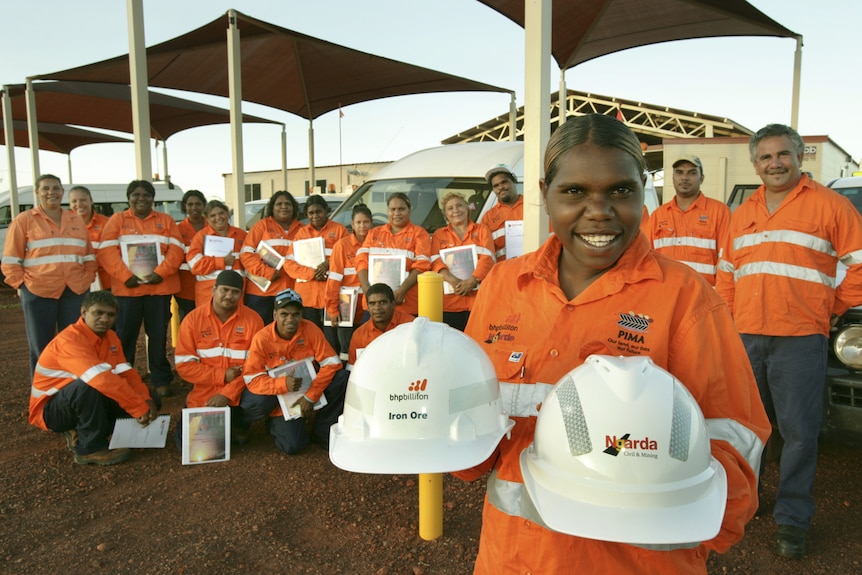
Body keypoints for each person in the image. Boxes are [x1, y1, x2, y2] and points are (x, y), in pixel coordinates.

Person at [454, 114, 770, 574]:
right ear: (545, 195)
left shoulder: (685, 298)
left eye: (620, 190)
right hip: (512, 560)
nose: (598, 210)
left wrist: (687, 512)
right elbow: (473, 428)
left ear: (643, 192)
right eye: (574, 191)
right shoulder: (504, 285)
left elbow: (736, 444)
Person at [716, 123, 862, 559]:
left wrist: (829, 307)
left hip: (800, 339)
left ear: (800, 157)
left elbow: (859, 267)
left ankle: (792, 519)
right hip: (748, 336)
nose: (775, 163)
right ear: (755, 163)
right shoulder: (743, 213)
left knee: (799, 434)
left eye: (783, 155)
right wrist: (730, 320)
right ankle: (748, 500)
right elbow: (727, 273)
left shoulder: (831, 206)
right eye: (766, 157)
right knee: (747, 429)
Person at [29, 290, 159, 466]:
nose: (105, 319)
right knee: (89, 386)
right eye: (98, 313)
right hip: (52, 410)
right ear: (83, 312)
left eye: (110, 315)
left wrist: (145, 399)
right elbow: (101, 380)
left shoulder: (111, 337)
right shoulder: (70, 341)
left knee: (153, 400)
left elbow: (126, 374)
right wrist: (137, 407)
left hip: (83, 399)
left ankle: (94, 430)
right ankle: (89, 449)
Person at [2, 174, 97, 376]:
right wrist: (22, 286)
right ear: (37, 192)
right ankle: (42, 399)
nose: (51, 192)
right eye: (45, 188)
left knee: (73, 345)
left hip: (74, 291)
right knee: (41, 348)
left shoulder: (75, 220)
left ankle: (69, 392)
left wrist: (87, 279)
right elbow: (10, 260)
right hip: (38, 292)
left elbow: (89, 256)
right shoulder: (24, 220)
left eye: (55, 188)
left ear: (62, 192)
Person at [98, 180, 184, 399]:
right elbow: (107, 252)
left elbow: (177, 250)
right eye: (136, 195)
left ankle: (161, 380)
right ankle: (124, 379)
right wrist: (125, 276)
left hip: (159, 289)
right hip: (128, 291)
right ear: (129, 198)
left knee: (157, 337)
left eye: (146, 195)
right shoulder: (117, 221)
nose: (141, 198)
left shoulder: (165, 220)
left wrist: (161, 273)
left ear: (152, 198)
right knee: (125, 336)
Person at [240, 288, 348, 455]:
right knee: (293, 446)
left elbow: (332, 363)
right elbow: (251, 379)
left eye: (295, 314)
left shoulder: (310, 329)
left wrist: (310, 396)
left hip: (309, 390)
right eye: (284, 314)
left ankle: (322, 429)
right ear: (275, 315)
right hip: (281, 397)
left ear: (301, 315)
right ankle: (274, 420)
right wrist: (282, 384)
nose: (290, 319)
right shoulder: (262, 339)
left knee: (342, 378)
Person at [174, 270, 262, 446]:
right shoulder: (193, 320)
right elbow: (184, 366)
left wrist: (227, 393)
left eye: (235, 292)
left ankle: (239, 424)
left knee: (261, 400)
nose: (229, 296)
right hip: (205, 394)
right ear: (213, 290)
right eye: (224, 290)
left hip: (239, 392)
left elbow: (256, 366)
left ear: (241, 294)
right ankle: (227, 428)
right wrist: (221, 376)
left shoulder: (253, 320)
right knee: (190, 445)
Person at [648, 155, 729, 286]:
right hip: (667, 294)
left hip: (704, 296)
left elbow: (727, 259)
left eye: (692, 173)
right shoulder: (658, 215)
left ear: (701, 178)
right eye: (679, 172)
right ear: (673, 178)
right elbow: (648, 259)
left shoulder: (719, 212)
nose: (684, 178)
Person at [283, 194, 348, 342]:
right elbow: (289, 264)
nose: (315, 216)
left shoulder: (339, 230)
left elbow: (348, 256)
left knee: (331, 338)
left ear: (326, 211)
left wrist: (330, 263)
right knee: (309, 337)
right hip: (307, 296)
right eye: (311, 213)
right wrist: (312, 273)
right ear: (306, 214)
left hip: (330, 295)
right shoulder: (301, 234)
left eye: (319, 211)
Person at [356, 192, 431, 316]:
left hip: (405, 305)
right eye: (393, 209)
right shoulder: (374, 233)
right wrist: (368, 292)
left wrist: (401, 291)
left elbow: (422, 266)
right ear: (388, 211)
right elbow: (361, 262)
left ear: (409, 210)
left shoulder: (419, 234)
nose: (397, 213)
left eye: (401, 209)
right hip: (374, 306)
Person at [431, 192, 496, 331]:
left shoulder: (482, 230)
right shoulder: (438, 235)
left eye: (459, 205)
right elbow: (435, 262)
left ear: (467, 208)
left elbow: (488, 258)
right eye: (450, 208)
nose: (455, 211)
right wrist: (453, 281)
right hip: (450, 303)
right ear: (445, 215)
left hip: (478, 300)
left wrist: (473, 280)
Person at [239, 190, 303, 324]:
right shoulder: (261, 227)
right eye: (279, 204)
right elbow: (246, 254)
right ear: (272, 207)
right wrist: (268, 272)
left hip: (292, 293)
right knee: (259, 332)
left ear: (294, 207)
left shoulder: (303, 229)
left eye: (287, 204)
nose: (283, 207)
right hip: (261, 294)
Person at [326, 204, 373, 362]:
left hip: (368, 304)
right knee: (346, 350)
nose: (362, 226)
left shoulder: (376, 243)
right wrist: (332, 309)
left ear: (371, 223)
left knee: (366, 347)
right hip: (346, 304)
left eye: (366, 222)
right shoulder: (341, 245)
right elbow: (333, 280)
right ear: (352, 224)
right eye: (358, 222)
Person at [187, 199, 247, 306]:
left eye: (221, 213)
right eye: (213, 215)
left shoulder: (241, 235)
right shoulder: (201, 237)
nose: (218, 218)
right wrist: (222, 261)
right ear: (207, 219)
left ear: (227, 214)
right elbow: (194, 265)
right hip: (208, 293)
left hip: (236, 292)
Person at [346, 283, 413, 371]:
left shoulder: (410, 325)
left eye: (382, 302)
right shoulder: (359, 335)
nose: (377, 308)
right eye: (372, 303)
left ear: (393, 304)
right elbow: (353, 370)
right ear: (368, 307)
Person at [68, 185, 111, 291]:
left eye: (83, 200)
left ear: (91, 201)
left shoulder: (106, 223)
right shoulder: (64, 223)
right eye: (74, 201)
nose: (78, 205)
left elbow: (111, 253)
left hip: (105, 282)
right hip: (74, 282)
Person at [175, 189, 207, 321]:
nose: (194, 207)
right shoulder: (177, 230)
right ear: (184, 206)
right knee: (188, 322)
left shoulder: (213, 226)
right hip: (186, 288)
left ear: (204, 205)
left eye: (198, 204)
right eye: (190, 204)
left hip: (208, 285)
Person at [480, 164, 523, 261]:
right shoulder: (488, 217)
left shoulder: (533, 207)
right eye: (496, 186)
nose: (501, 187)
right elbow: (486, 251)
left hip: (533, 267)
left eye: (504, 182)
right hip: (504, 271)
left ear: (514, 182)